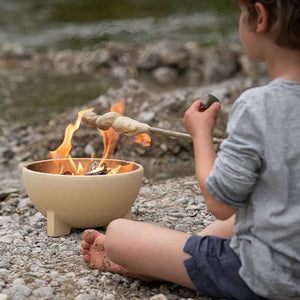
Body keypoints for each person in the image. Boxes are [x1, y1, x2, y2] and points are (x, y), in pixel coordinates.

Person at [81, 0, 300, 299]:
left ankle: (160, 263)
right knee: (264, 205)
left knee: (119, 232)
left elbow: (220, 203)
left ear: (258, 17)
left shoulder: (259, 106)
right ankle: (171, 257)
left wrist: (201, 134)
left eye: (240, 12)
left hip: (269, 278)